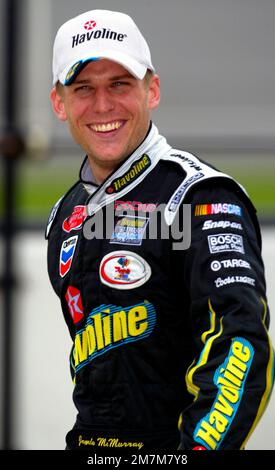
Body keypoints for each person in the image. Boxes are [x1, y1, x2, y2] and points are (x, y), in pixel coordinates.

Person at [46, 9, 274, 451]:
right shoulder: (65, 215)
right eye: (83, 89)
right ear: (59, 103)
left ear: (152, 89)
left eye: (119, 84)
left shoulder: (198, 198)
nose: (103, 105)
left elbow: (241, 347)